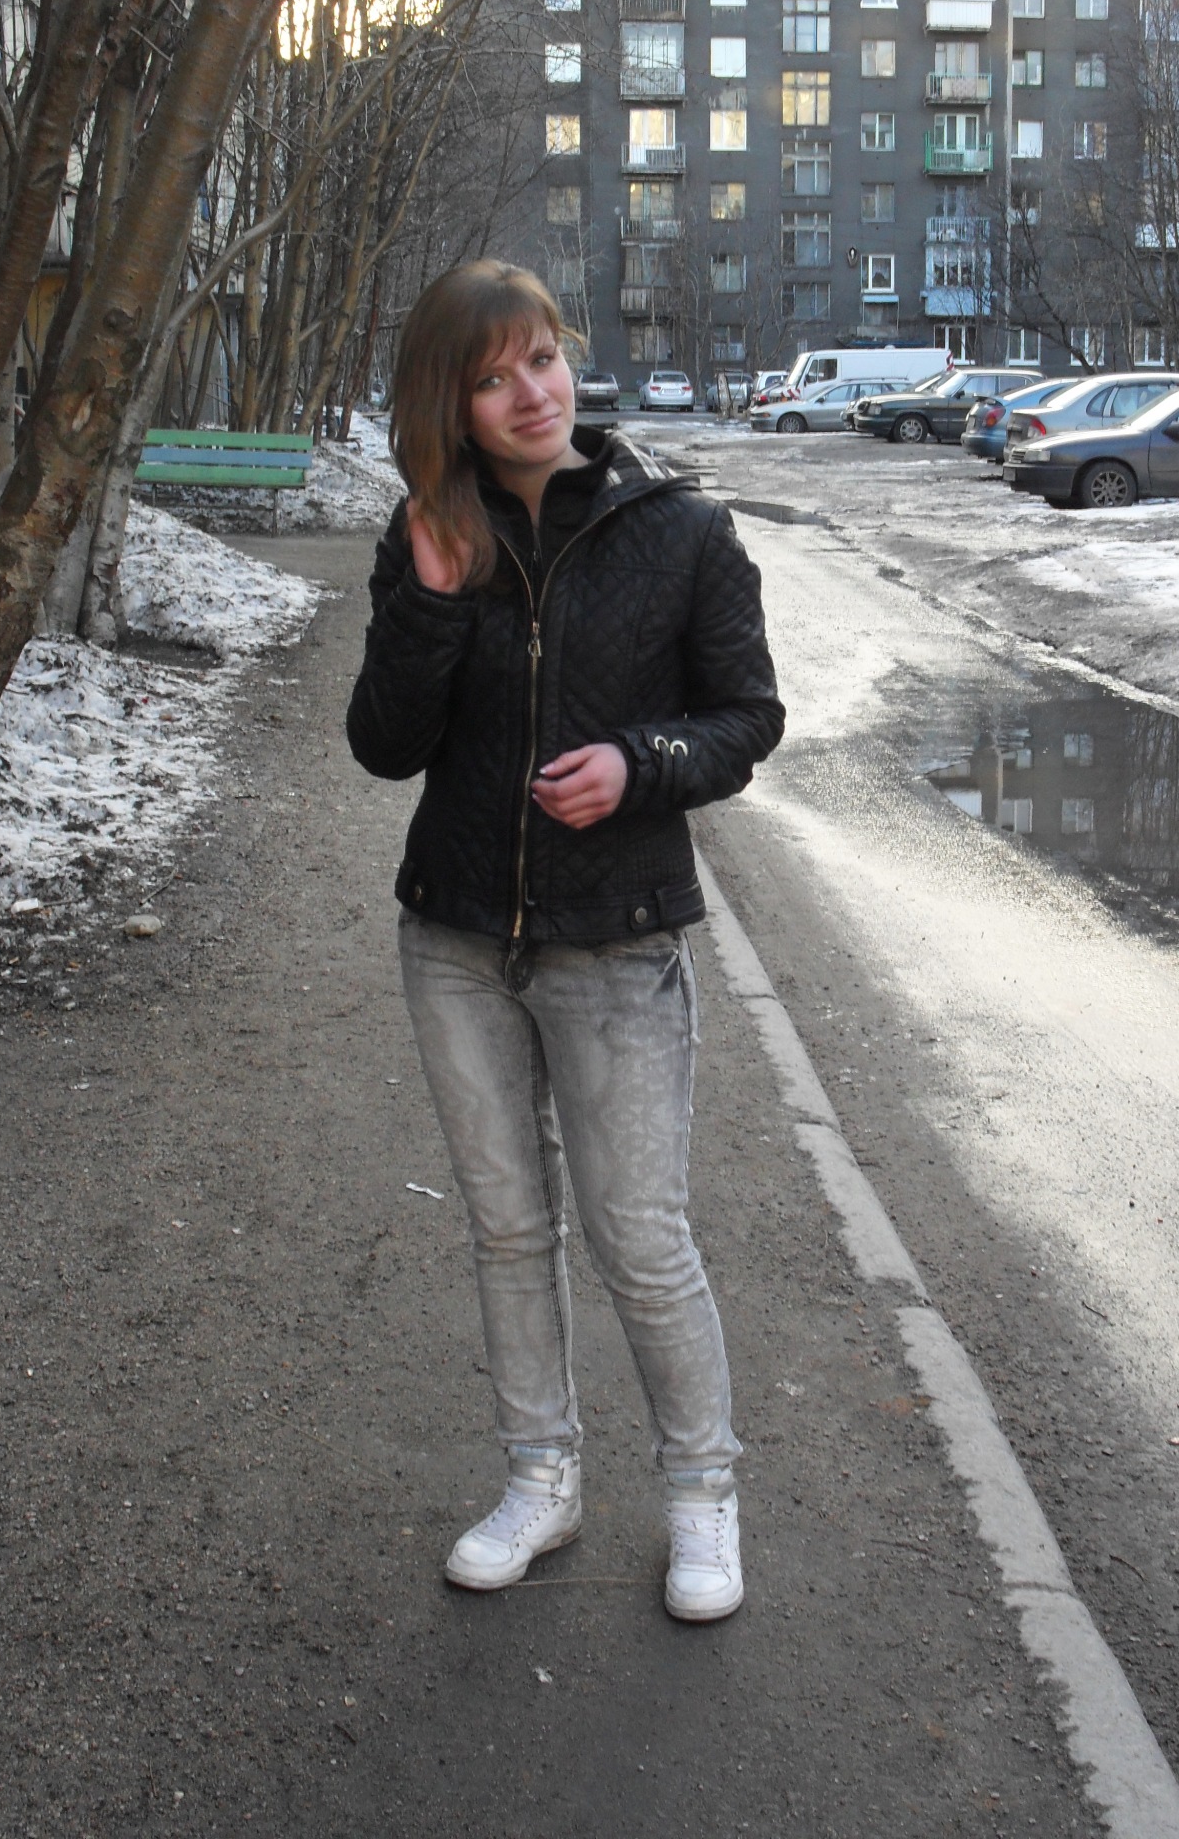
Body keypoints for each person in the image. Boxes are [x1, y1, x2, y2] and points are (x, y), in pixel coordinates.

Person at [346, 261, 784, 1621]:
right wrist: (428, 601)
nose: (530, 393)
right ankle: (542, 1478)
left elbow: (746, 719)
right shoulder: (431, 532)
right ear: (452, 404)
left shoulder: (682, 529)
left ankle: (701, 1498)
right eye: (491, 378)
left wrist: (641, 765)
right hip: (458, 939)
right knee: (506, 1229)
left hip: (618, 940)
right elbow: (384, 747)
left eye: (541, 358)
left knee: (639, 1237)